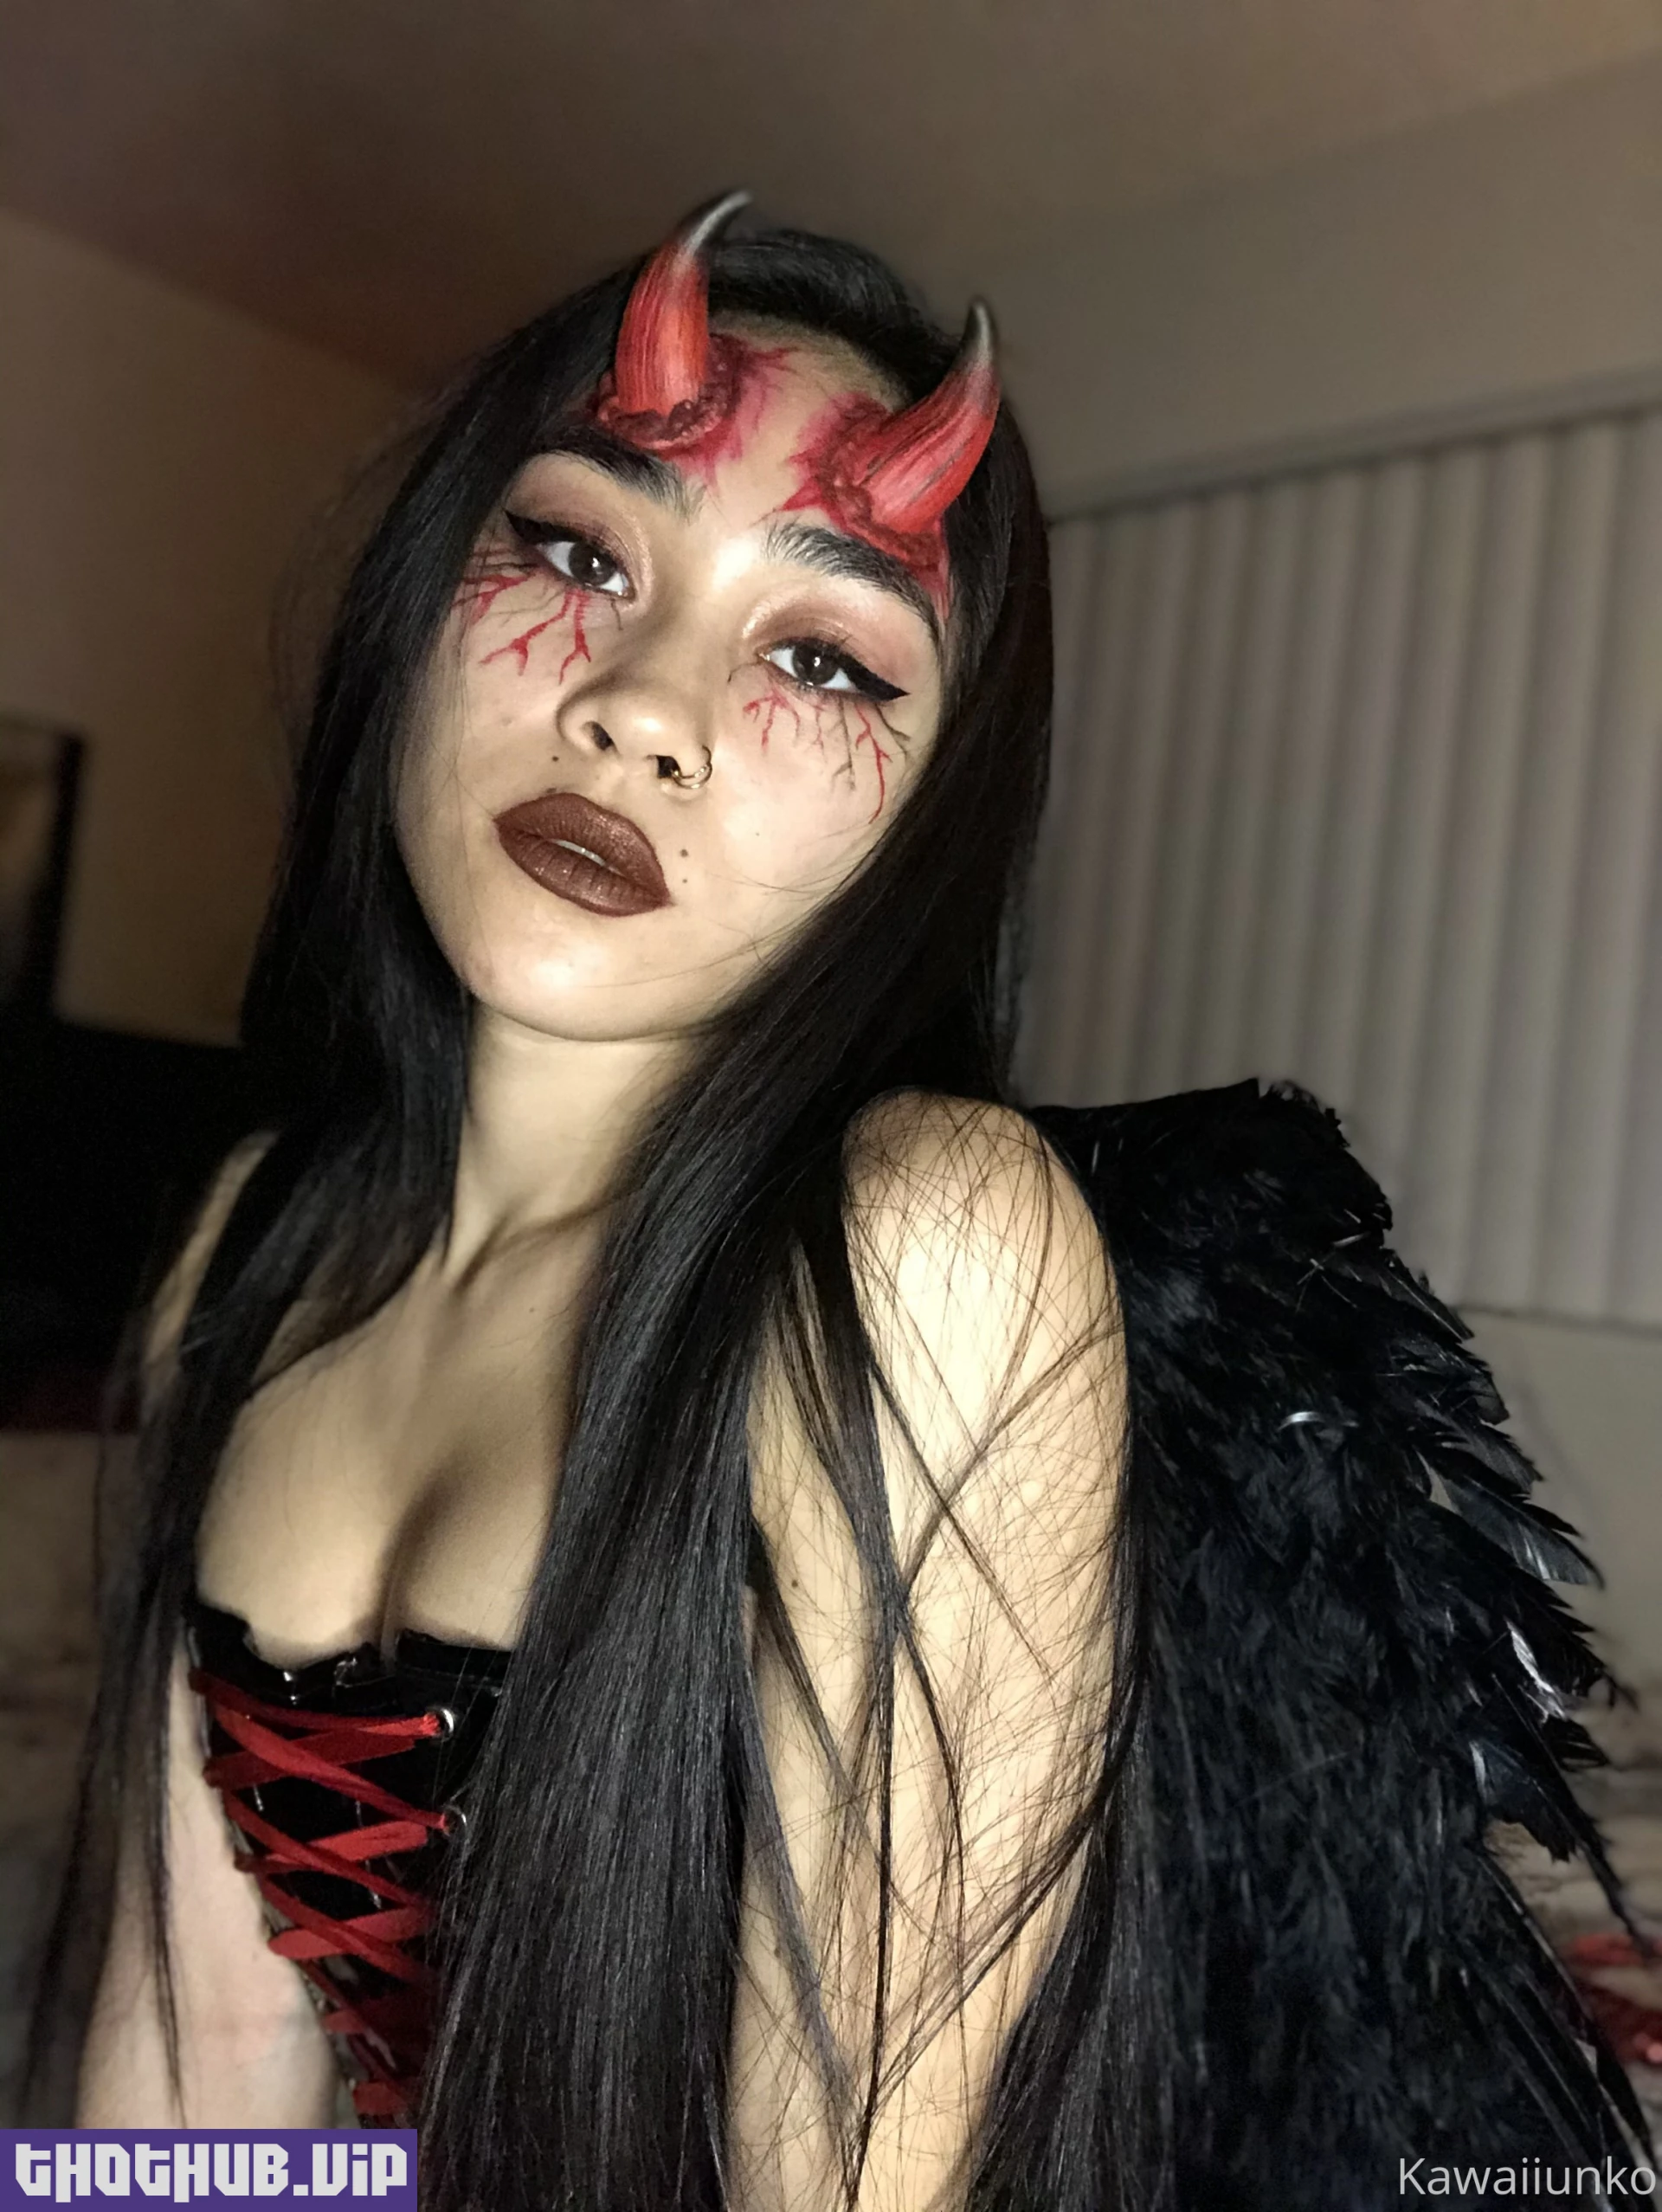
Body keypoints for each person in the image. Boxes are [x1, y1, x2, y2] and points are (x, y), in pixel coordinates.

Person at [38, 196, 1646, 2210]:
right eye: (577, 550)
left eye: (820, 654)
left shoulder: (928, 1246)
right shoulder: (248, 1240)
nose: (641, 706)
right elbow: (184, 2071)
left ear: (933, 812)